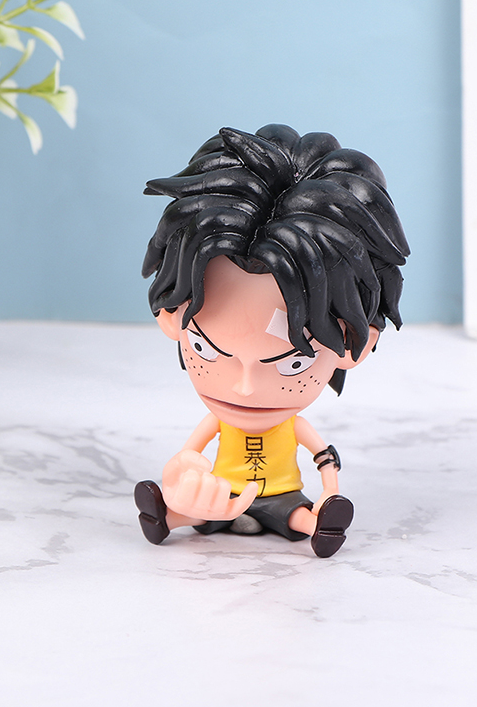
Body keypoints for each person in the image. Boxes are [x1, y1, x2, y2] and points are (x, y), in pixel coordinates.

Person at [134, 124, 409, 557]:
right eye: (205, 348)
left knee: (294, 514)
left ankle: (320, 524)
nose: (244, 388)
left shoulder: (288, 423)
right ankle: (167, 516)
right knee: (202, 510)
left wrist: (329, 495)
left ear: (354, 343)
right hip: (224, 492)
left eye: (293, 363)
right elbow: (189, 457)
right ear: (170, 316)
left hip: (281, 495)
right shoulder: (223, 416)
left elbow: (323, 456)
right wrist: (183, 476)